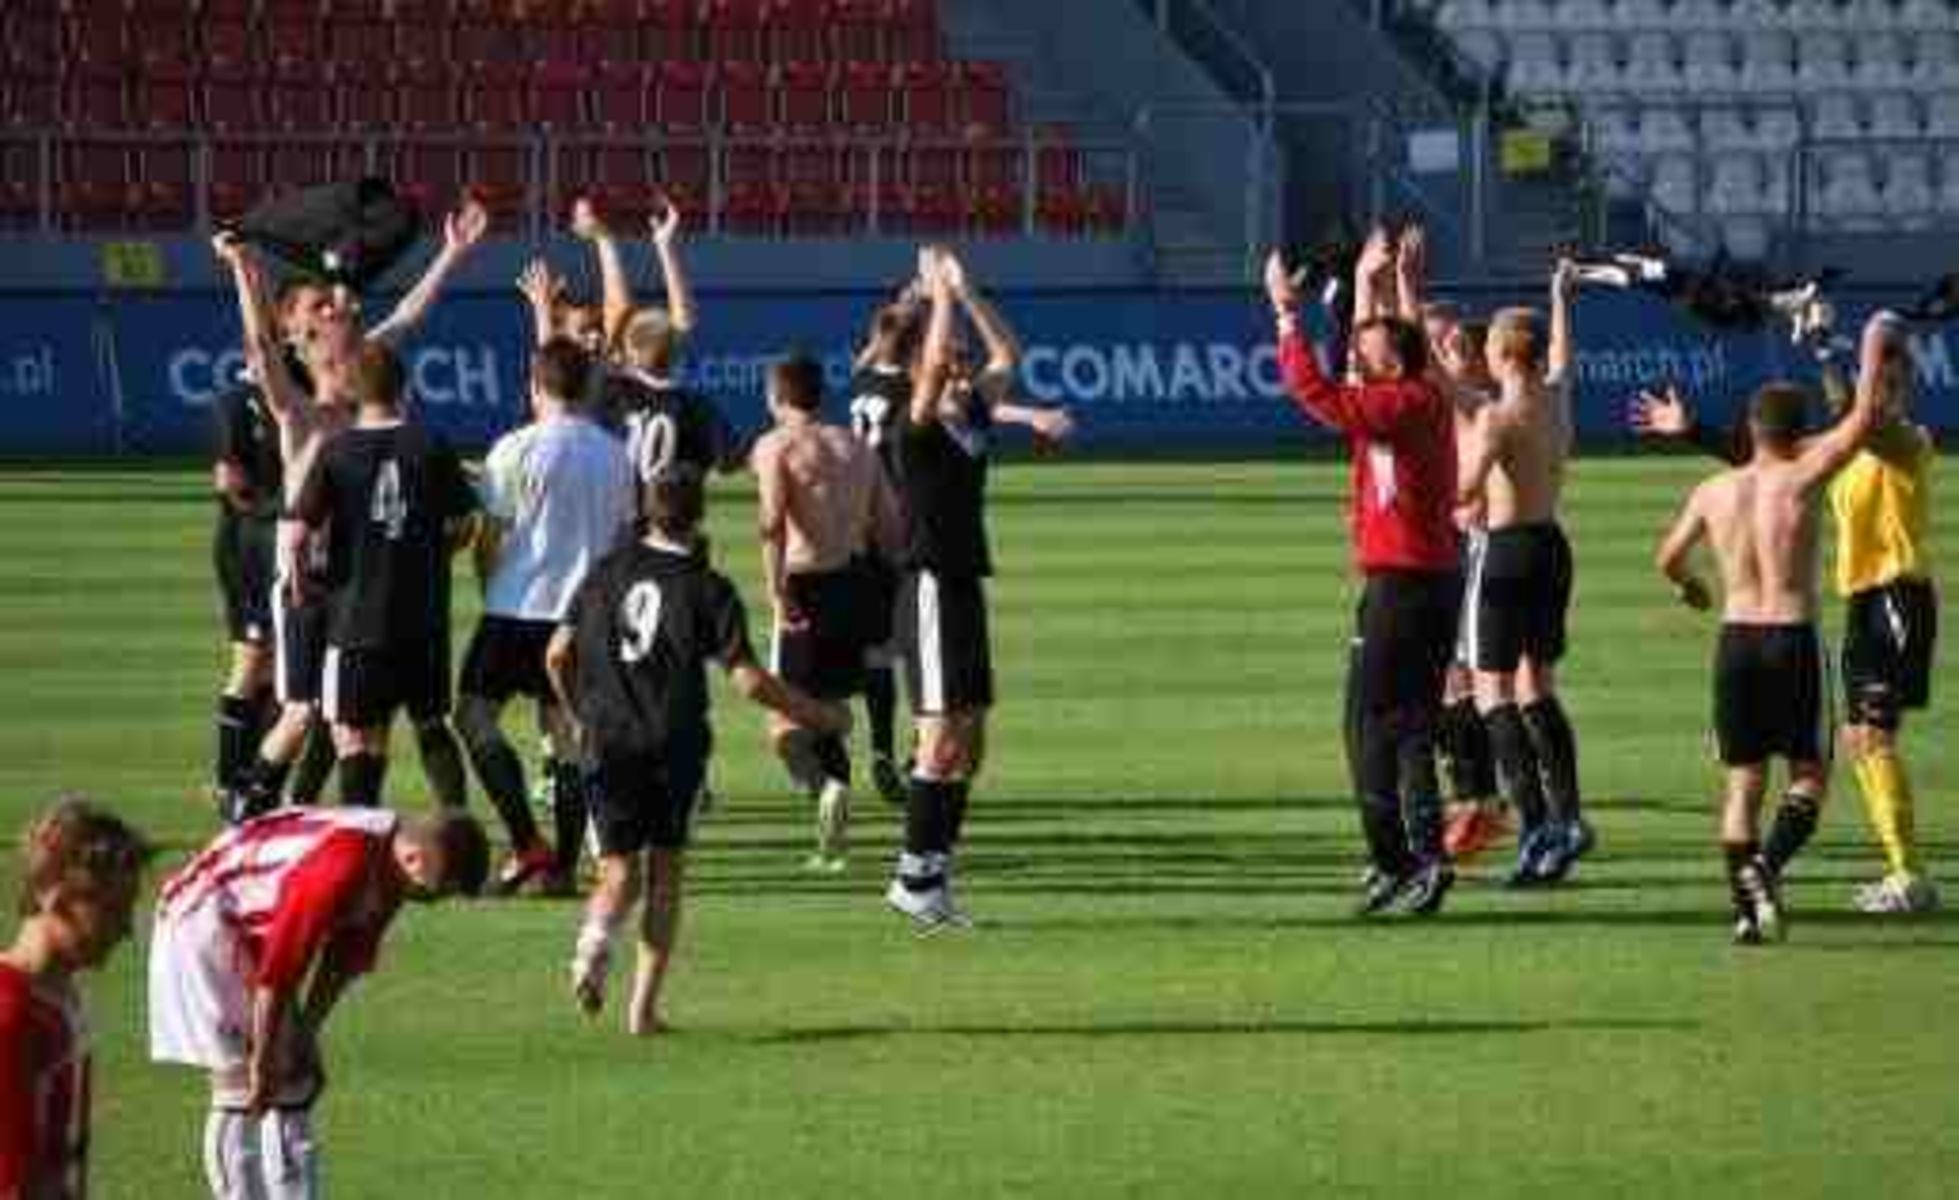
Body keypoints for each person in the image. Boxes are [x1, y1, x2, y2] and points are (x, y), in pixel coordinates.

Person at [1635, 312, 1943, 914]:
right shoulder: (1839, 448)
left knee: (1869, 738)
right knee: (1857, 741)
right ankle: (1896, 872)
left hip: (1897, 596)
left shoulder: (1907, 439)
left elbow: (1861, 421)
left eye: (1884, 380)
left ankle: (1904, 876)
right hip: (1861, 601)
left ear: (1897, 386)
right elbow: (1764, 457)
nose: (1874, 388)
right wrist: (1691, 427)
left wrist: (1864, 342)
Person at [548, 467, 847, 1035]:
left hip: (606, 741)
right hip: (674, 744)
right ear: (699, 515)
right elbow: (749, 682)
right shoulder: (709, 587)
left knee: (615, 872)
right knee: (666, 873)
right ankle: (642, 1011)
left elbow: (556, 655)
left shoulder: (604, 573)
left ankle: (590, 949)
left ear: (646, 510)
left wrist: (581, 715)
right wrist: (818, 714)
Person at [222, 199, 488, 822]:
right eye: (329, 319)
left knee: (335, 714)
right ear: (312, 348)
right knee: (302, 712)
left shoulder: (364, 388)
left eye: (344, 318)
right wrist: (243, 270)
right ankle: (246, 809)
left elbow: (410, 314)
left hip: (354, 586)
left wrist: (451, 253)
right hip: (308, 592)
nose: (347, 321)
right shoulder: (302, 413)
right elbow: (261, 349)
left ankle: (296, 813)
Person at [149, 806, 489, 1200]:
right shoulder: (343, 861)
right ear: (416, 857)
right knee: (243, 1084)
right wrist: (264, 1055)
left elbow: (344, 956)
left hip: (251, 934)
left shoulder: (395, 867)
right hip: (203, 919)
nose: (438, 898)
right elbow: (278, 970)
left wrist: (306, 1034)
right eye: (442, 886)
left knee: (295, 1077)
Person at [1265, 247, 1460, 917]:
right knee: (1403, 725)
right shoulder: (1412, 392)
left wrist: (1285, 316)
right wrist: (1378, 282)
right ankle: (1416, 860)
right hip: (1418, 582)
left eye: (1365, 352)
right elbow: (1379, 345)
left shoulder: (1400, 402)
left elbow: (1314, 395)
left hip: (1403, 588)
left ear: (1391, 364)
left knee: (1366, 726)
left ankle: (1400, 861)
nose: (1354, 356)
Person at [885, 248, 1073, 929]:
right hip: (930, 584)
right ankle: (914, 878)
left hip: (963, 583)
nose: (962, 365)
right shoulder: (917, 429)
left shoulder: (969, 419)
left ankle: (933, 875)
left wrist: (965, 292)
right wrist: (937, 301)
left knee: (968, 734)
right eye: (949, 359)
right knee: (938, 738)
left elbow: (1009, 353)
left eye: (963, 359)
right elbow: (933, 368)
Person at [457, 339, 635, 895]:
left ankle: (526, 840)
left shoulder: (513, 447)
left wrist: (490, 589)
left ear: (534, 387)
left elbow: (487, 537)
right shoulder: (616, 454)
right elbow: (628, 539)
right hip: (583, 615)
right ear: (585, 389)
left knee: (474, 718)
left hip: (516, 607)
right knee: (566, 738)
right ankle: (558, 868)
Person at [292, 342, 481, 808]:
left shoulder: (336, 452)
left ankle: (363, 842)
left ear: (353, 391)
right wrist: (437, 554)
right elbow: (464, 523)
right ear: (405, 388)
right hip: (423, 621)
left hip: (355, 622)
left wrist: (300, 584)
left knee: (358, 739)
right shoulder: (432, 445)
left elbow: (298, 534)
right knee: (432, 726)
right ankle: (457, 832)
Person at [1456, 260, 1591, 886]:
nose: (1481, 349)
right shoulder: (1558, 398)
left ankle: (1535, 824)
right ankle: (1570, 817)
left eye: (1489, 343)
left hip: (1506, 551)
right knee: (1539, 685)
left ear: (1507, 353)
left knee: (1491, 691)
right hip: (1552, 545)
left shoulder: (1496, 418)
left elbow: (1466, 490)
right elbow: (1563, 354)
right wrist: (1560, 295)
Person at [752, 353, 902, 870]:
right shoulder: (857, 447)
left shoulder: (775, 446)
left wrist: (777, 592)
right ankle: (833, 839)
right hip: (853, 583)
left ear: (776, 396)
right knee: (829, 712)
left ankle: (825, 790)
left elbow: (772, 522)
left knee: (783, 721)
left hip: (804, 587)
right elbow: (891, 529)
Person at [1, 799, 152, 1200]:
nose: (125, 930)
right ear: (56, 897)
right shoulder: (10, 1013)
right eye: (113, 909)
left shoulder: (62, 997)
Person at [847, 292, 929, 805]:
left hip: (862, 530)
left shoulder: (860, 384)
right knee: (921, 647)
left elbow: (871, 351)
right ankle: (920, 749)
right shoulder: (913, 391)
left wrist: (902, 308)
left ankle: (879, 746)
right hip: (904, 526)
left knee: (877, 650)